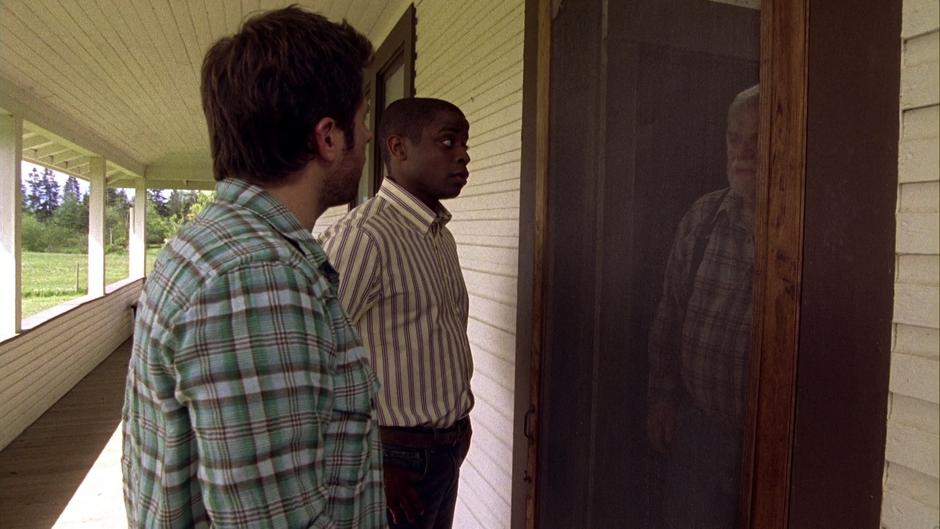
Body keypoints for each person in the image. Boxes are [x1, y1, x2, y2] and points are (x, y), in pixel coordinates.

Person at [121, 7, 385, 528]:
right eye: (365, 118)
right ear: (328, 137)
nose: (370, 135)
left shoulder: (216, 245)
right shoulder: (257, 277)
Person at [320, 97, 474, 529]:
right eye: (447, 141)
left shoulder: (440, 236)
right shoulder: (363, 237)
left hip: (446, 448)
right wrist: (367, 465)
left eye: (464, 142)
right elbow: (314, 363)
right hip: (392, 461)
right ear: (398, 148)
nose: (463, 154)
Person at [646, 85, 760, 529]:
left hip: (769, 443)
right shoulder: (703, 217)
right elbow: (669, 313)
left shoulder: (800, 228)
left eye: (759, 138)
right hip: (700, 433)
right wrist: (661, 397)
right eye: (735, 139)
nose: (743, 153)